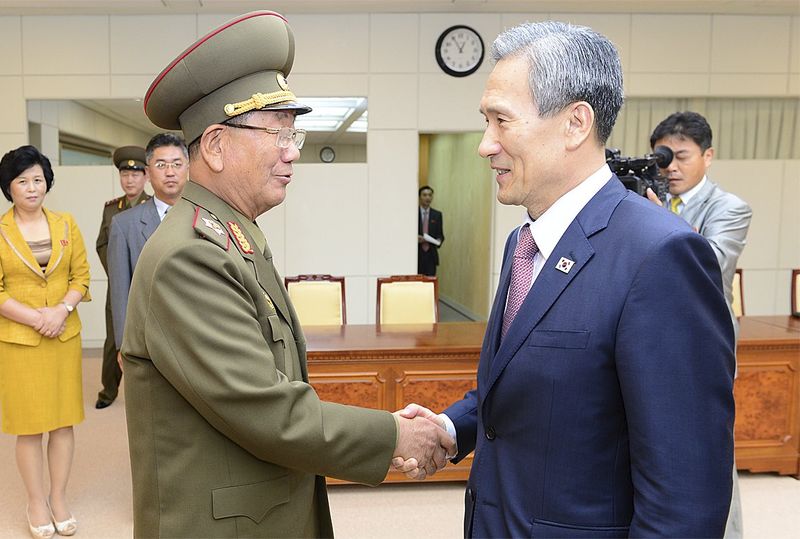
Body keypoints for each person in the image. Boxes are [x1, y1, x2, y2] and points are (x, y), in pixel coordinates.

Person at [122, 11, 454, 538]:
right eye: (276, 133)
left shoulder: (234, 234)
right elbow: (267, 408)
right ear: (214, 145)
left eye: (294, 134)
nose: (292, 152)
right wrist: (393, 435)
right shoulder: (191, 256)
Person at [397, 21, 736, 537]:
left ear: (576, 124)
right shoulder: (524, 243)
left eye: (501, 121)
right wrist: (450, 428)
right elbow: (536, 384)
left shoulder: (661, 256)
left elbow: (684, 500)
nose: (485, 145)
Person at [649, 110, 752, 539]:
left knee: (710, 454)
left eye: (683, 156)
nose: (670, 166)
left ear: (708, 157)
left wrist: (652, 217)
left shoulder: (730, 208)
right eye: (664, 157)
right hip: (649, 343)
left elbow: (708, 263)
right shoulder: (645, 200)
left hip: (702, 350)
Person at [0, 145, 91, 538]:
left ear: (47, 183)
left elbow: (81, 277)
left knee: (62, 423)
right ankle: (35, 501)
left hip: (63, 336)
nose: (32, 187)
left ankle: (58, 497)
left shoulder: (66, 224)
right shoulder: (1, 232)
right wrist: (37, 316)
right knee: (30, 427)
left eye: (38, 179)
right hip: (20, 340)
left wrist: (61, 311)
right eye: (23, 181)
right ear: (9, 188)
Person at [108, 133, 188, 356]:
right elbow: (121, 291)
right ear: (148, 172)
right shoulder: (124, 225)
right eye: (161, 165)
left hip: (198, 336)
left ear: (187, 168)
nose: (170, 172)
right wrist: (123, 346)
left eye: (176, 164)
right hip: (148, 340)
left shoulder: (206, 217)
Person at [95, 146, 150, 409]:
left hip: (145, 286)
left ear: (146, 177)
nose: (130, 179)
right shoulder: (111, 209)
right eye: (125, 174)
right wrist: (118, 271)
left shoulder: (153, 208)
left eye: (135, 174)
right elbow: (102, 244)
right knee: (113, 340)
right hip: (118, 288)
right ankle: (108, 391)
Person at [417, 185, 444, 276]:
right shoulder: (413, 213)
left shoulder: (437, 215)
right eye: (424, 195)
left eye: (429, 195)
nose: (427, 198)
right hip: (417, 254)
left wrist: (439, 241)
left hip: (431, 255)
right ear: (419, 197)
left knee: (430, 283)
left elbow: (440, 235)